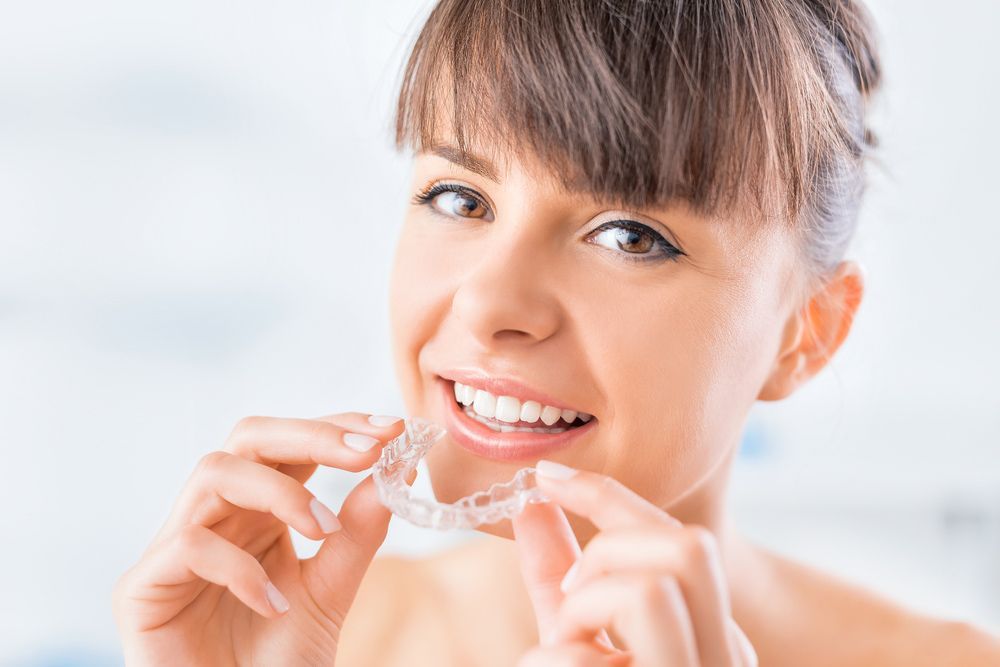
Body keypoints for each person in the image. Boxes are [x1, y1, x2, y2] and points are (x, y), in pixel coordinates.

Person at [112, 1, 1000, 664]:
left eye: (630, 235)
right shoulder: (294, 638)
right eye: (460, 198)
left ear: (805, 332)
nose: (489, 303)